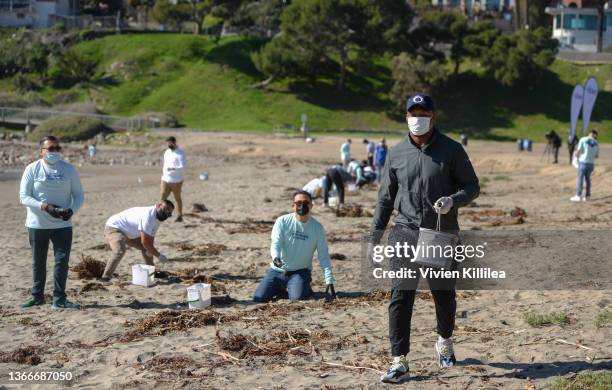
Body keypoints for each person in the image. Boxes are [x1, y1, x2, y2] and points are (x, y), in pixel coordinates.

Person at [371, 94, 479, 383]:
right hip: (404, 233)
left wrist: (453, 200)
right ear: (406, 117)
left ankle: (444, 341)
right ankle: (399, 360)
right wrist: (375, 237)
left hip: (440, 234)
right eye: (412, 113)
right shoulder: (395, 154)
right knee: (400, 296)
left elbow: (472, 186)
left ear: (433, 116)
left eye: (423, 112)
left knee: (443, 295)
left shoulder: (452, 150)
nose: (417, 118)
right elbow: (385, 200)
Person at [19, 136, 84, 310]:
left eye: (57, 148)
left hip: (63, 225)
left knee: (62, 261)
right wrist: (45, 206)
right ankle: (37, 296)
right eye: (50, 149)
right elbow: (23, 197)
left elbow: (78, 195)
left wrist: (71, 211)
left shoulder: (69, 170)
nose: (54, 152)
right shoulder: (32, 169)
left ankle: (59, 298)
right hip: (37, 224)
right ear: (41, 151)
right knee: (38, 262)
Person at [253, 191, 336, 302]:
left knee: (297, 299)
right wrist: (276, 257)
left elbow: (323, 255)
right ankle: (281, 288)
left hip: (300, 272)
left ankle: (302, 285)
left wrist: (329, 280)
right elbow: (275, 243)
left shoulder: (317, 228)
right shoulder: (282, 221)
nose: (302, 206)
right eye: (298, 203)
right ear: (293, 206)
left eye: (306, 202)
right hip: (277, 270)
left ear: (311, 205)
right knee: (258, 298)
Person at [101, 200, 174, 281]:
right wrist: (159, 256)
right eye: (166, 209)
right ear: (158, 205)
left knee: (147, 249)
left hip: (129, 232)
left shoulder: (158, 218)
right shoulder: (148, 216)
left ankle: (151, 273)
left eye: (169, 214)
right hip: (115, 227)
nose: (166, 214)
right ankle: (106, 276)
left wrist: (150, 250)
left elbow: (150, 237)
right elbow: (145, 241)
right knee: (119, 251)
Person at [160, 136, 186, 222]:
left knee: (177, 198)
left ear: (174, 142)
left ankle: (180, 215)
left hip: (176, 180)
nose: (168, 144)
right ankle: (161, 213)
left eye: (170, 142)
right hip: (165, 178)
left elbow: (182, 166)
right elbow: (165, 164)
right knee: (162, 196)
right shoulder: (167, 152)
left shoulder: (181, 153)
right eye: (167, 143)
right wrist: (164, 172)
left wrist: (173, 169)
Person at [570, 130, 599, 202]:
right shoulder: (596, 142)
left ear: (590, 133)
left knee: (580, 179)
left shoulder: (583, 139)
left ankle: (578, 195)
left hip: (583, 162)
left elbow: (578, 150)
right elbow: (596, 156)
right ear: (595, 135)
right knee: (588, 180)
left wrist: (575, 159)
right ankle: (587, 196)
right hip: (591, 163)